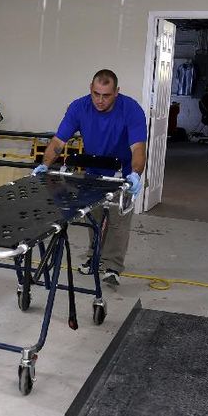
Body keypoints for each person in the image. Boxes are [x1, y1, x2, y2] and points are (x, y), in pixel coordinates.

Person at [32, 69, 146, 285]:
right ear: (90, 89)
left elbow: (138, 148)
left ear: (117, 92)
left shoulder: (131, 110)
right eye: (96, 94)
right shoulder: (79, 107)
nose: (100, 100)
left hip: (123, 172)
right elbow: (58, 142)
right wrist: (44, 165)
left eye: (106, 95)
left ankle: (112, 266)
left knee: (118, 219)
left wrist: (135, 174)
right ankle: (94, 258)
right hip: (94, 171)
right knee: (93, 217)